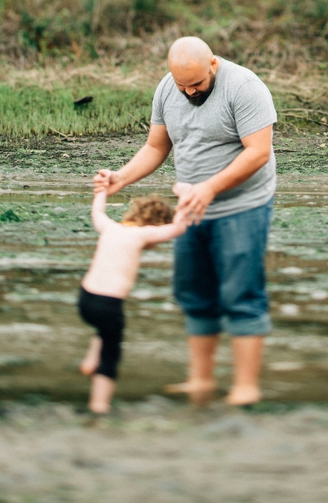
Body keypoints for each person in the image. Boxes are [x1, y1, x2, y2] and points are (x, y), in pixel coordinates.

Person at [94, 36, 277, 406]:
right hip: (190, 210)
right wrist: (121, 177)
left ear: (213, 64)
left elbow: (258, 153)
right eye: (182, 85)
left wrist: (208, 188)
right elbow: (156, 147)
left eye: (196, 84)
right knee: (195, 294)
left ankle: (246, 386)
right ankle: (201, 380)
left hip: (243, 207)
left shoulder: (244, 87)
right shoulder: (168, 88)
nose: (189, 92)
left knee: (241, 294)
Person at [78, 185, 189, 414]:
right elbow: (179, 227)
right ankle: (99, 406)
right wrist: (186, 195)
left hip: (85, 298)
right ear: (155, 225)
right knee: (111, 352)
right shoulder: (143, 233)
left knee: (103, 329)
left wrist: (101, 190)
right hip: (110, 304)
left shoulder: (110, 227)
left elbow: (97, 213)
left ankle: (90, 361)